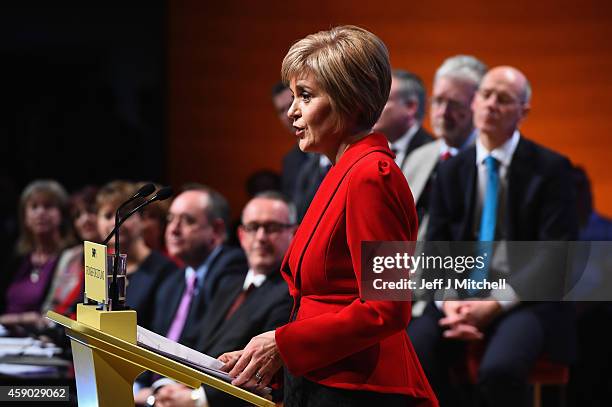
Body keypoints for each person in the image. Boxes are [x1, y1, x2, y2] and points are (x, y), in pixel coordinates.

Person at [219, 25, 437, 407]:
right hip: (323, 381)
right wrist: (268, 355)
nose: (292, 112)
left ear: (349, 101)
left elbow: (387, 308)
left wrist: (283, 343)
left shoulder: (373, 176)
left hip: (360, 391)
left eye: (305, 96)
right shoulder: (339, 171)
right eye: (293, 96)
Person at [409, 66, 578, 407]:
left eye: (503, 99)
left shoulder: (552, 169)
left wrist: (493, 305)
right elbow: (435, 246)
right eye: (485, 95)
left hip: (523, 300)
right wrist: (450, 302)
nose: (490, 105)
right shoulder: (451, 169)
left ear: (523, 112)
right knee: (412, 357)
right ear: (473, 103)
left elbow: (555, 255)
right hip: (459, 296)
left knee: (500, 371)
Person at [143, 191, 295, 407]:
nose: (260, 237)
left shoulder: (292, 292)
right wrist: (167, 384)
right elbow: (198, 345)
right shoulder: (229, 284)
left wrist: (198, 399)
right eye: (252, 228)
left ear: (294, 233)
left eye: (272, 228)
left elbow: (266, 374)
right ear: (241, 235)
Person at [135, 185, 248, 405]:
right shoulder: (173, 280)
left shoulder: (232, 270)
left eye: (187, 221)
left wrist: (156, 392)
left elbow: (207, 346)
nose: (173, 230)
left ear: (216, 230)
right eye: (171, 219)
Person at [403, 55, 487, 239]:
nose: (442, 112)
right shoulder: (417, 158)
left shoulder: (488, 164)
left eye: (454, 104)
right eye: (438, 101)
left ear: (478, 105)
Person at [96, 180, 177, 329]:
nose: (115, 222)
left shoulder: (165, 271)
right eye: (108, 216)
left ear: (142, 218)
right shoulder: (98, 265)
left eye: (125, 214)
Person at [0, 180, 75, 330]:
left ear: (61, 214)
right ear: (24, 216)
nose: (40, 212)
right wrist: (20, 318)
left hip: (41, 342)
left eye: (48, 206)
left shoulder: (72, 258)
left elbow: (60, 314)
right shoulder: (16, 258)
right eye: (34, 207)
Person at [373, 69, 434, 168]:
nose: (374, 106)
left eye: (383, 99)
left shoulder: (433, 154)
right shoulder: (374, 148)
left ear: (410, 107)